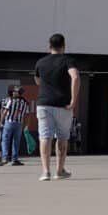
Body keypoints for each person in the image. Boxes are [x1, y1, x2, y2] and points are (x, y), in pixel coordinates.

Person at [33, 32, 81, 181]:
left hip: (44, 103)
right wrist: (74, 99)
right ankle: (59, 171)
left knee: (44, 137)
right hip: (62, 104)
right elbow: (75, 76)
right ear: (64, 46)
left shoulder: (40, 62)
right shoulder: (67, 60)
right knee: (62, 137)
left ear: (49, 46)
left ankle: (45, 171)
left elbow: (37, 81)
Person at [0, 85, 29, 166]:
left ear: (17, 93)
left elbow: (5, 111)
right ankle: (14, 159)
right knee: (16, 142)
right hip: (19, 124)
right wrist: (26, 125)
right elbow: (27, 115)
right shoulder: (25, 102)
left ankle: (5, 158)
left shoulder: (10, 100)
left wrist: (1, 121)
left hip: (9, 122)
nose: (13, 92)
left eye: (14, 91)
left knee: (5, 140)